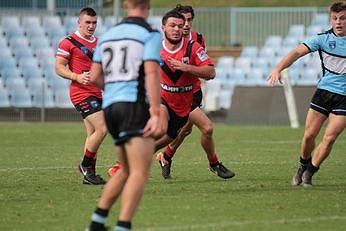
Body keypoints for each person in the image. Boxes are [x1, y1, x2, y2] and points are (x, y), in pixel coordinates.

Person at [86, 0, 164, 230]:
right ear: (148, 4)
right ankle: (123, 226)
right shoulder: (149, 33)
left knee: (126, 169)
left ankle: (97, 222)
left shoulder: (109, 34)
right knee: (140, 171)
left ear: (126, 3)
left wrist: (113, 92)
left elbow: (94, 76)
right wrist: (156, 111)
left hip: (110, 107)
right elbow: (151, 72)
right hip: (134, 106)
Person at [267, 1, 346, 188]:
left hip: (344, 98)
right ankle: (303, 165)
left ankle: (310, 171)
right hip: (324, 93)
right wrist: (278, 68)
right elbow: (296, 52)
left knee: (330, 137)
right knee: (309, 135)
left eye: (342, 18)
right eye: (335, 18)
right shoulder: (322, 39)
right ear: (330, 20)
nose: (338, 22)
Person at [155, 4, 235, 180]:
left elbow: (206, 69)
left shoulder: (197, 40)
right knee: (206, 127)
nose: (185, 25)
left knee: (184, 131)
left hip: (194, 92)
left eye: (189, 20)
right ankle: (214, 163)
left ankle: (165, 157)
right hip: (175, 95)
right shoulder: (163, 45)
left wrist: (189, 69)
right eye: (181, 21)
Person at [55, 7, 107, 185]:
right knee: (103, 128)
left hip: (96, 91)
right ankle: (85, 165)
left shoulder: (100, 43)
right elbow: (59, 67)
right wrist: (76, 76)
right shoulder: (68, 42)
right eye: (88, 22)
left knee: (93, 133)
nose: (91, 26)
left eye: (94, 23)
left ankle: (89, 175)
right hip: (80, 93)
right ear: (79, 22)